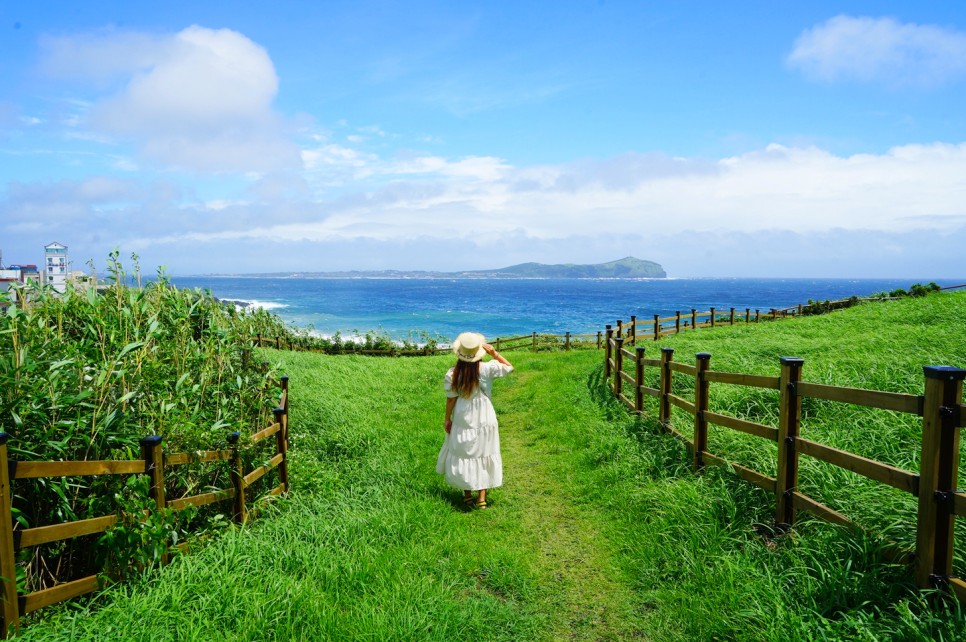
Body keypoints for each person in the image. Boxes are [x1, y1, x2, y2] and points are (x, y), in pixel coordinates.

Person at [436, 332, 513, 510]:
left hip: (463, 414)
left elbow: (450, 399)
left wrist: (447, 419)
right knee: (484, 451)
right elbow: (509, 367)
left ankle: (467, 496)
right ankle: (482, 499)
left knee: (464, 451)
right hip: (485, 415)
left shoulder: (453, 374)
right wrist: (495, 353)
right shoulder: (487, 369)